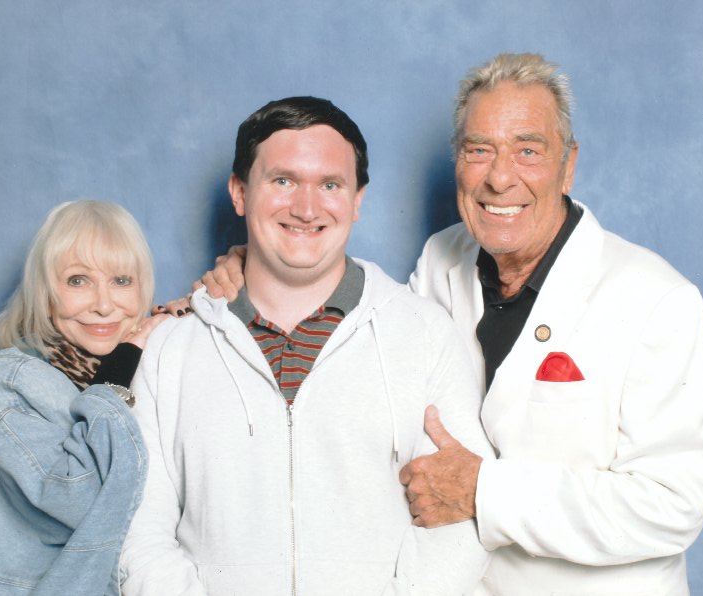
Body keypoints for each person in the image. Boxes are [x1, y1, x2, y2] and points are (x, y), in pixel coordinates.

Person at [195, 54, 703, 595]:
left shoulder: (657, 299)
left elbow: (672, 506)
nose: (500, 177)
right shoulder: (441, 260)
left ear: (568, 165)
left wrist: (484, 492)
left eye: (528, 151)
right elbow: (371, 344)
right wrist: (254, 267)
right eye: (478, 150)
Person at [119, 96, 491, 595]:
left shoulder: (424, 334)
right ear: (239, 192)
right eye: (283, 181)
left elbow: (460, 521)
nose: (307, 208)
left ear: (357, 200)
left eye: (330, 185)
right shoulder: (171, 349)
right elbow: (138, 530)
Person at [0, 200, 168, 596]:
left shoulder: (149, 371)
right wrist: (117, 376)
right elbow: (80, 499)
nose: (104, 305)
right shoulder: (7, 381)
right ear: (45, 293)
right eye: (78, 281)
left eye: (121, 280)